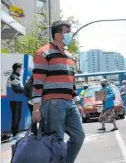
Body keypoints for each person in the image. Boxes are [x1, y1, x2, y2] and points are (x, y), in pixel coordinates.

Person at [31, 20, 85, 163]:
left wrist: (78, 103)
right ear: (57, 35)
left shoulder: (69, 55)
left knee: (78, 136)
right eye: (66, 32)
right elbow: (37, 83)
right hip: (52, 103)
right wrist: (36, 108)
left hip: (69, 102)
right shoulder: (43, 53)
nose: (69, 35)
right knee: (55, 141)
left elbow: (71, 82)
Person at [8, 62, 25, 139]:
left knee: (17, 116)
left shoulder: (16, 77)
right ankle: (15, 133)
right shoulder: (13, 77)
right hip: (15, 100)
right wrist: (26, 89)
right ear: (18, 69)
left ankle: (16, 132)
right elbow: (16, 89)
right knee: (16, 116)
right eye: (21, 68)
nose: (22, 70)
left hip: (17, 100)